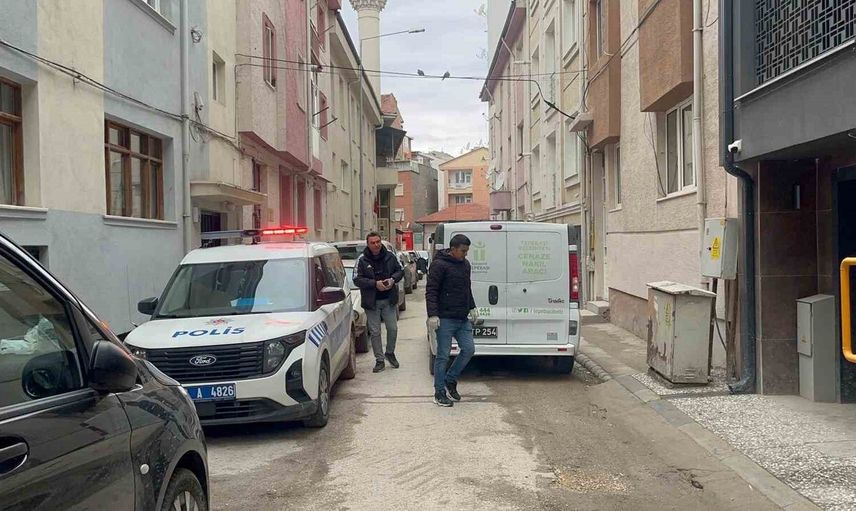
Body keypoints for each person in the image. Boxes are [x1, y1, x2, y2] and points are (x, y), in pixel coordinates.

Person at [425, 234, 479, 407]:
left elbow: (466, 288)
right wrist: (433, 315)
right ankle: (439, 392)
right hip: (445, 317)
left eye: (467, 251)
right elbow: (431, 290)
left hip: (462, 317)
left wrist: (472, 306)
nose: (465, 254)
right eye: (463, 251)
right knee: (442, 356)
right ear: (453, 249)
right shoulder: (439, 265)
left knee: (469, 349)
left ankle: (450, 379)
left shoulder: (465, 264)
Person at [354, 232, 404, 373]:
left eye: (378, 242)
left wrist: (392, 280)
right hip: (372, 302)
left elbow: (400, 271)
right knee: (375, 332)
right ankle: (379, 360)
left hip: (389, 300)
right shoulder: (362, 260)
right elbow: (356, 279)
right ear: (368, 244)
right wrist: (374, 284)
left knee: (392, 329)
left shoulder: (390, 256)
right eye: (373, 243)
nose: (376, 245)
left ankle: (390, 352)